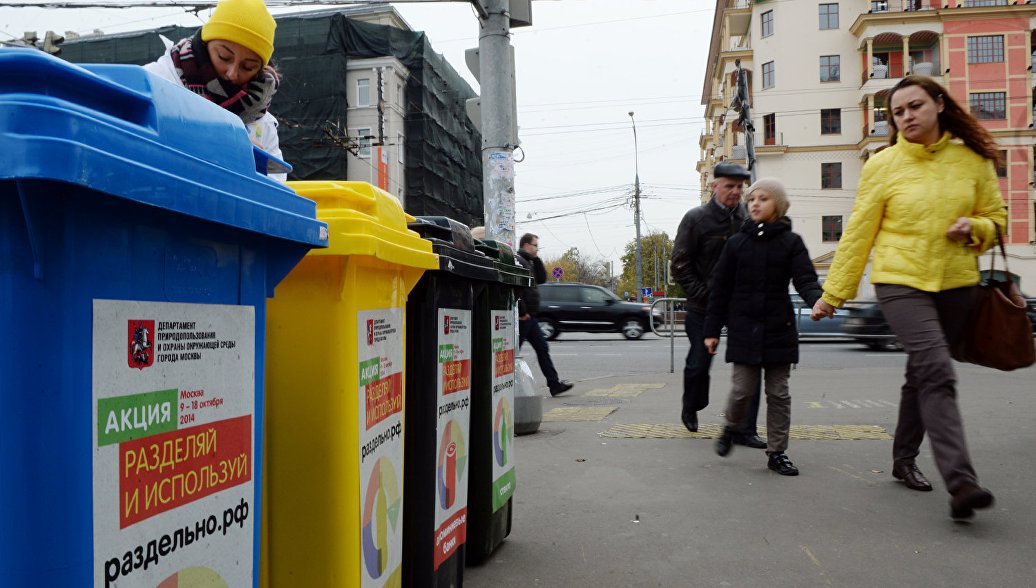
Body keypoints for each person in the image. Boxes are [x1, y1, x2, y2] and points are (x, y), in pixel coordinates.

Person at [811, 76, 1006, 518]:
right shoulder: (884, 165)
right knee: (937, 370)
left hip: (957, 284)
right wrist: (833, 295)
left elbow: (997, 219)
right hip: (899, 282)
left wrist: (974, 229)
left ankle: (902, 459)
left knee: (922, 375)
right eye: (897, 113)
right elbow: (859, 234)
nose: (906, 117)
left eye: (914, 106)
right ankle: (961, 482)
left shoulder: (972, 160)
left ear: (939, 104)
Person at [704, 178, 825, 476]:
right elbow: (720, 289)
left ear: (778, 205)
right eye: (752, 199)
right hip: (744, 327)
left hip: (778, 326)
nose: (755, 203)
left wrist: (817, 301)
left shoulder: (791, 242)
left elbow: (805, 279)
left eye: (763, 198)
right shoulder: (736, 244)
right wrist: (711, 330)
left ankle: (778, 452)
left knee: (779, 393)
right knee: (742, 390)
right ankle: (731, 428)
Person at [670, 161, 765, 448]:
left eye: (740, 187)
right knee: (699, 363)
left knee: (751, 365)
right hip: (704, 306)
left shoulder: (749, 218)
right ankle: (691, 404)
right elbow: (680, 265)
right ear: (715, 186)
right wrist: (703, 294)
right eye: (729, 186)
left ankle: (746, 429)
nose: (736, 192)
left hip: (741, 306)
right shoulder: (696, 219)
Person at [144, 0, 286, 181]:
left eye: (248, 67)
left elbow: (275, 187)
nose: (233, 74)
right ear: (205, 44)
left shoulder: (262, 123)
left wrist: (249, 168)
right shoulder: (156, 82)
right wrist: (213, 141)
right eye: (224, 57)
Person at [516, 233, 574, 396]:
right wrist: (522, 312)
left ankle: (554, 384)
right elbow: (518, 290)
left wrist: (537, 259)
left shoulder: (529, 261)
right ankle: (505, 387)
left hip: (531, 318)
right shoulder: (519, 261)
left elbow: (541, 279)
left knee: (543, 348)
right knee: (512, 354)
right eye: (535, 245)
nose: (537, 248)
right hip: (523, 318)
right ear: (526, 245)